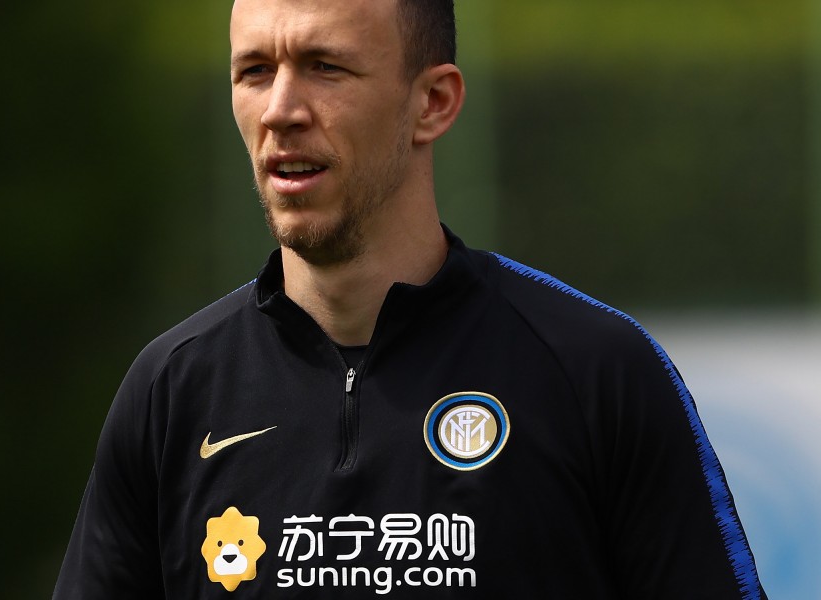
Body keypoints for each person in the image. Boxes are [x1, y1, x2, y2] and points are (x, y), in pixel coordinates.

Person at [53, 0, 766, 597]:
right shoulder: (171, 391)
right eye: (255, 71)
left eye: (325, 67)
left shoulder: (596, 374)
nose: (280, 110)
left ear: (433, 103)